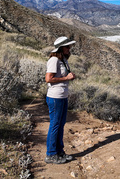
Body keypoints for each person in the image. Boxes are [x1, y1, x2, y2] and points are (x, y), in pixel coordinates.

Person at [44, 36, 76, 164]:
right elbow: (48, 79)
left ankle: (59, 151)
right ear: (61, 48)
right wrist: (66, 78)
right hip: (55, 97)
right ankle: (51, 154)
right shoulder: (54, 60)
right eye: (67, 46)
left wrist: (69, 76)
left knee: (60, 124)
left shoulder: (62, 60)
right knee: (55, 125)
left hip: (62, 96)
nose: (69, 49)